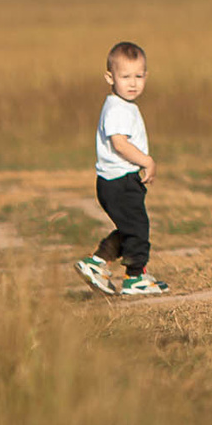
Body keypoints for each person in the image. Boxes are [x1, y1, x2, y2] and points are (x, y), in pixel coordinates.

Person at [75, 41, 169, 296]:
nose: (133, 82)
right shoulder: (117, 109)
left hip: (117, 180)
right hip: (118, 181)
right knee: (138, 228)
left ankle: (97, 262)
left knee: (131, 227)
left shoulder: (123, 106)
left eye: (139, 76)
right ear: (110, 77)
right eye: (125, 76)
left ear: (146, 76)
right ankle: (135, 277)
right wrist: (146, 161)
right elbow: (119, 144)